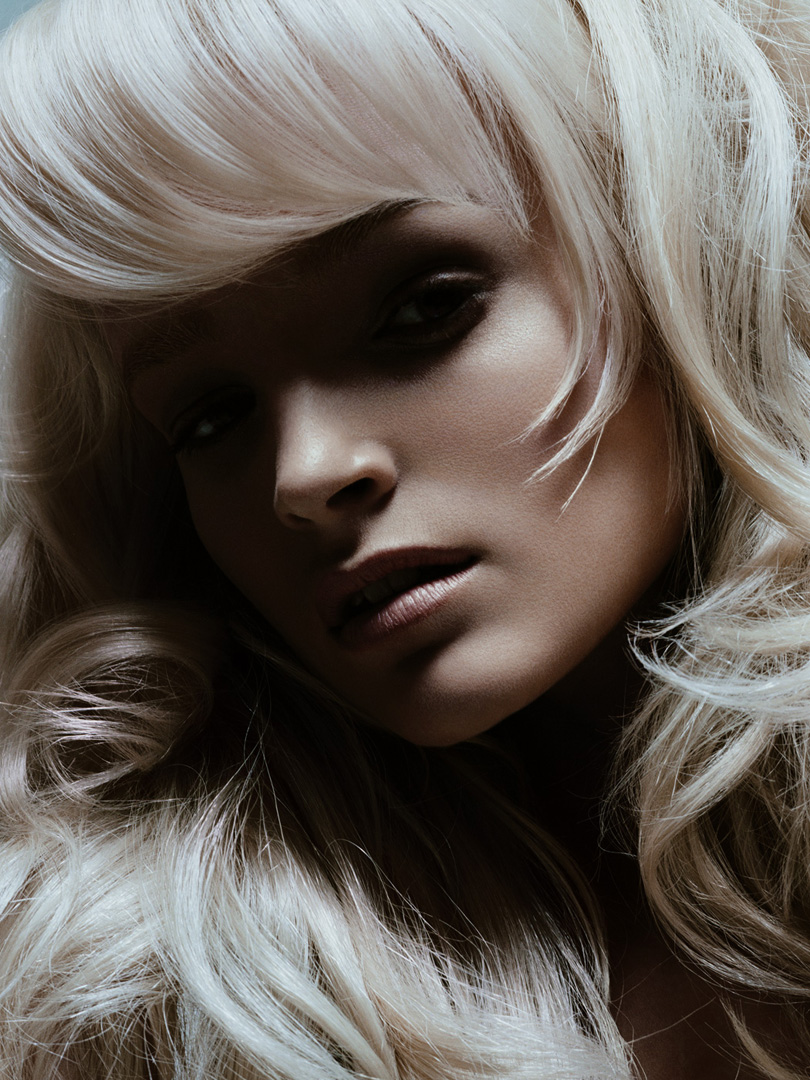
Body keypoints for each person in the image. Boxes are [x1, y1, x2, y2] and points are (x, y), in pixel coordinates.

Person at [0, 0, 808, 1075]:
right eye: (210, 417)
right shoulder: (135, 1007)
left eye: (424, 309)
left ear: (668, 239)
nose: (302, 476)